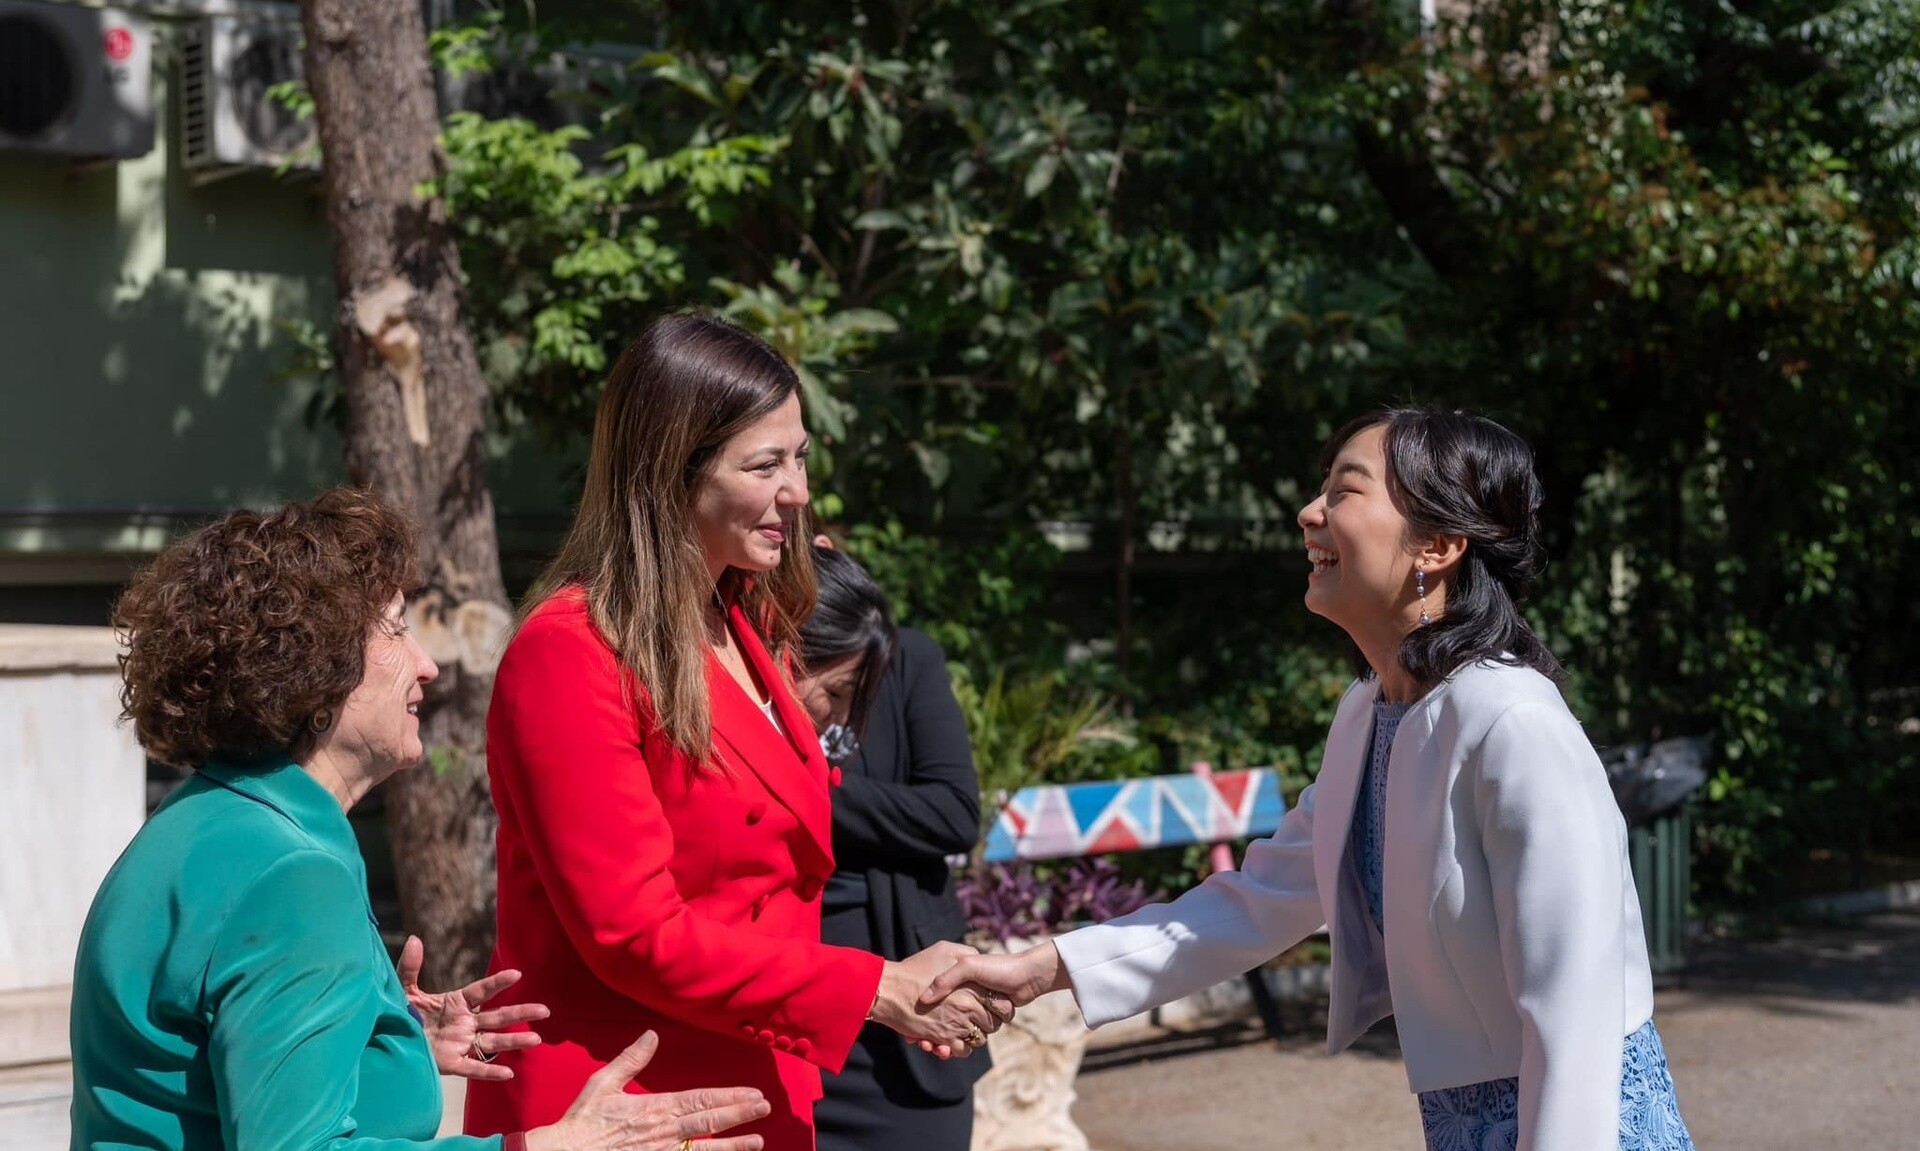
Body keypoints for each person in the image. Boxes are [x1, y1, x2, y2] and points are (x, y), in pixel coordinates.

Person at [926, 409, 1695, 1151]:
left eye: (1345, 490)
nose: (1308, 513)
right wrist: (1040, 969)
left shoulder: (1514, 723)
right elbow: (1256, 901)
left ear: (1437, 544)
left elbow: (1577, 1015)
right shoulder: (1369, 713)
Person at [71, 487, 771, 1151]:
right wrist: (553, 1144)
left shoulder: (201, 820)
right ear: (313, 662)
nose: (427, 664)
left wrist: (386, 1043)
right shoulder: (291, 874)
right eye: (398, 630)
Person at [465, 314, 1003, 1151]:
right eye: (765, 465)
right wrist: (872, 987)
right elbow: (633, 931)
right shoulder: (571, 649)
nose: (798, 491)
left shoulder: (744, 623)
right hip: (627, 1101)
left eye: (801, 457)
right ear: (670, 473)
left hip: (750, 1075)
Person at [792, 546, 990, 1151]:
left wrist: (802, 791)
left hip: (903, 1019)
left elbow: (955, 812)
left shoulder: (907, 660)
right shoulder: (724, 675)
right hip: (786, 1004)